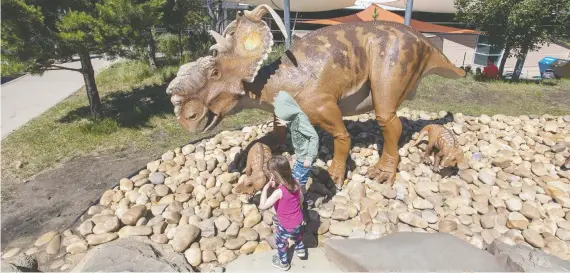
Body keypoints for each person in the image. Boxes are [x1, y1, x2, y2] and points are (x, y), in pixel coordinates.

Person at [259, 155, 305, 271]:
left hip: (286, 224)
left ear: (274, 175)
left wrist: (265, 189)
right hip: (298, 219)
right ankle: (300, 249)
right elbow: (301, 199)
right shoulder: (296, 183)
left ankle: (283, 262)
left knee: (280, 242)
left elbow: (263, 205)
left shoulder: (279, 192)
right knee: (296, 234)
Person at [273, 91, 319, 194]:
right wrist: (286, 123)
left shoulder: (301, 119)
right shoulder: (294, 118)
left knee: (295, 183)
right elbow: (296, 126)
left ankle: (298, 204)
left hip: (305, 158)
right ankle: (303, 200)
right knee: (298, 181)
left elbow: (314, 136)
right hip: (300, 156)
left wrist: (309, 157)